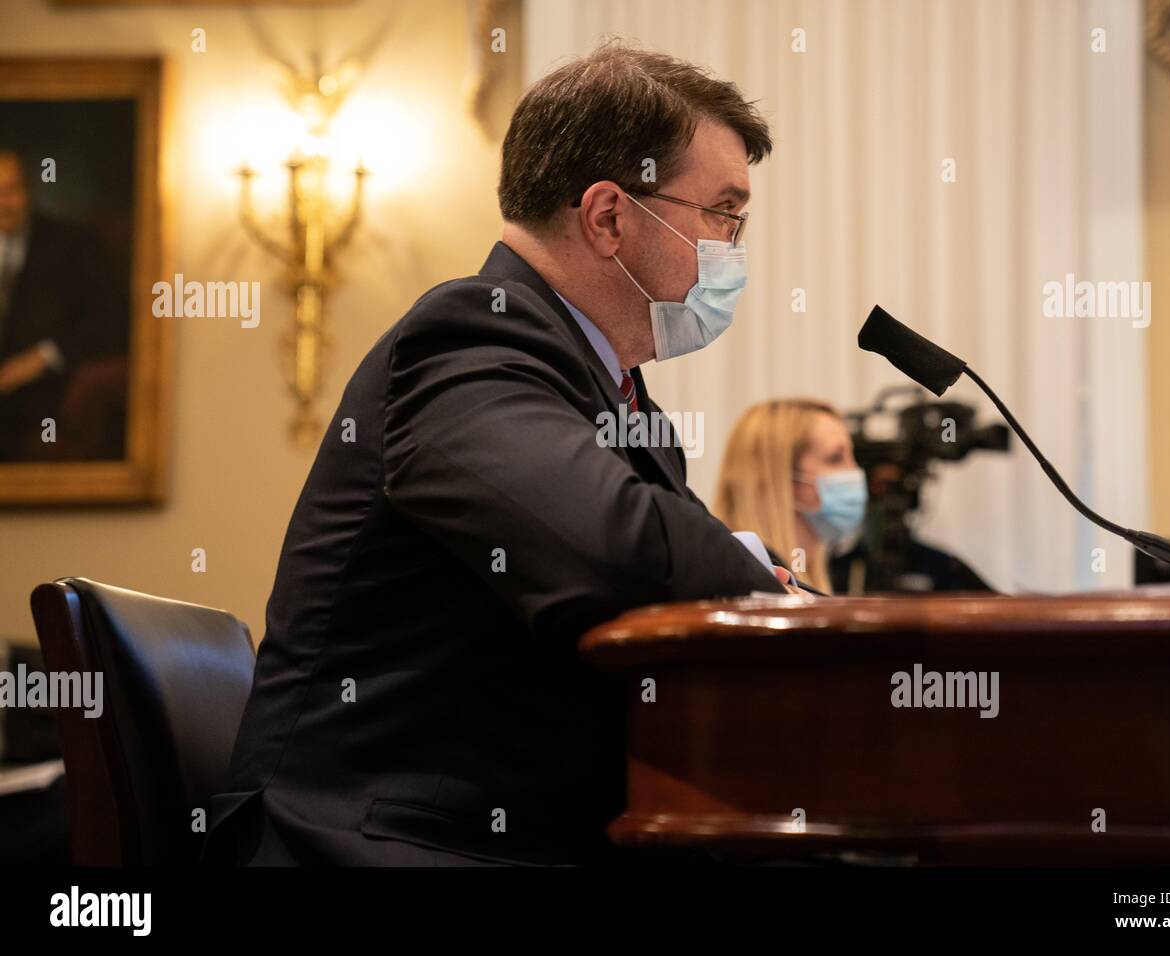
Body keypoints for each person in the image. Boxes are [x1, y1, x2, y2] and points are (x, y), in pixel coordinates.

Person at [203, 41, 808, 868]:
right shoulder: (467, 337)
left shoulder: (617, 397)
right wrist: (765, 579)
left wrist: (766, 583)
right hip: (377, 839)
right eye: (723, 215)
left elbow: (663, 562)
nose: (734, 249)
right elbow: (618, 547)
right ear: (608, 216)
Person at [0, 149, 127, 461]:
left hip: (45, 396)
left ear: (28, 192)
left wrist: (43, 357)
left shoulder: (72, 244)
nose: (2, 203)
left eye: (9, 191)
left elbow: (111, 323)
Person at [715, 399, 868, 595]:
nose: (854, 471)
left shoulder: (812, 575)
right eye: (835, 458)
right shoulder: (731, 582)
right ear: (777, 476)